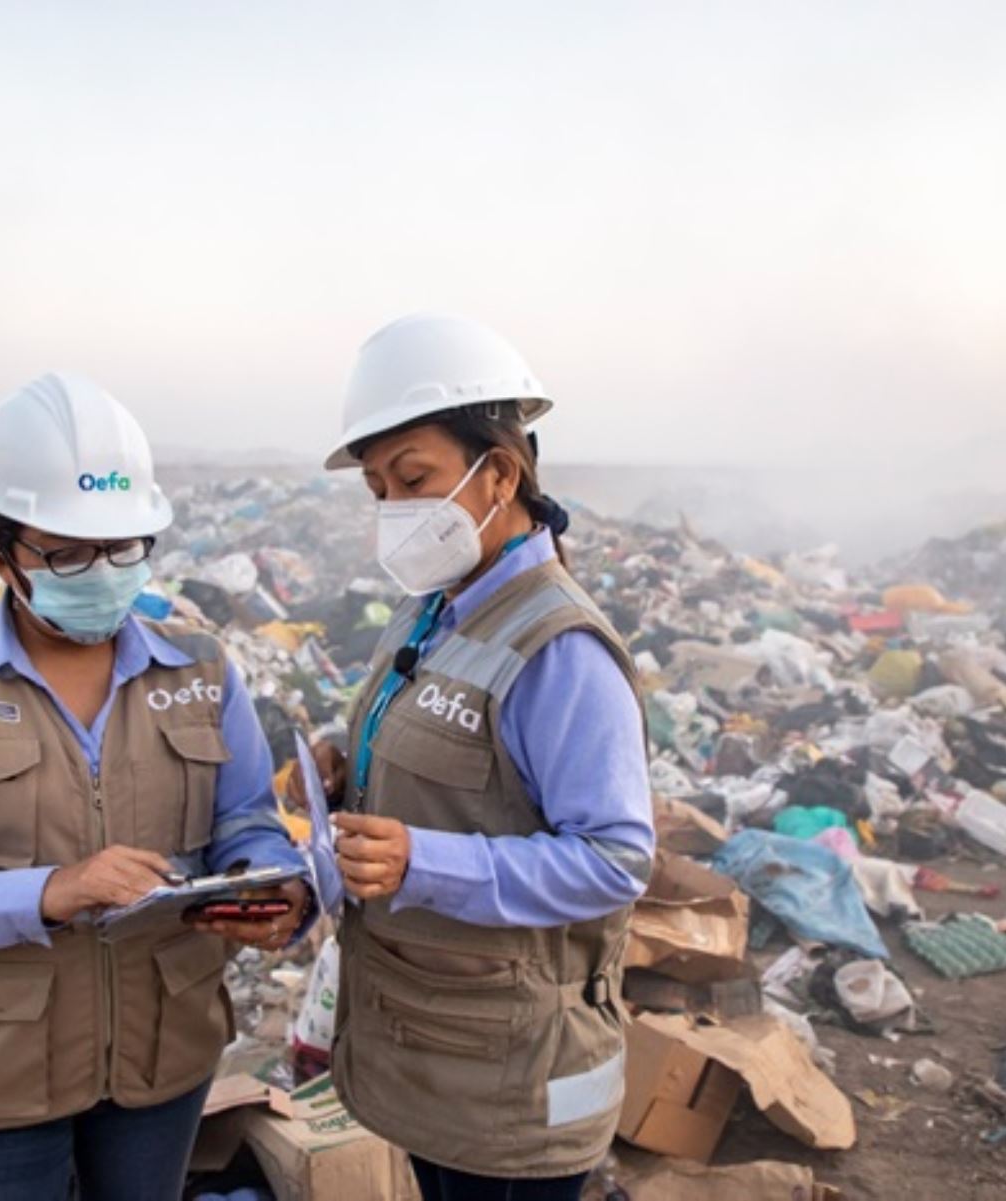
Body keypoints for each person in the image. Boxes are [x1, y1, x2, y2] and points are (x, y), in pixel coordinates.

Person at [0, 372, 309, 1201]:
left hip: (160, 1066)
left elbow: (248, 823)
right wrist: (52, 891)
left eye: (122, 547)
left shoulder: (200, 670)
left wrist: (261, 887)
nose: (100, 571)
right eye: (67, 551)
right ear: (2, 551)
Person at [310, 315, 654, 1201]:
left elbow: (613, 859)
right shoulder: (432, 608)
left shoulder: (560, 647)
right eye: (380, 487)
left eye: (414, 478)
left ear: (499, 470)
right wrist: (354, 764)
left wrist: (420, 860)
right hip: (438, 1056)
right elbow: (467, 768)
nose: (395, 507)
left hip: (513, 1079)